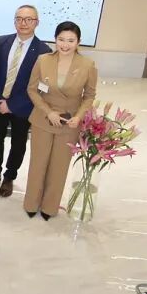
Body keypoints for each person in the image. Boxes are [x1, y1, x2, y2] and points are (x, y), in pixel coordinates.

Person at [24, 21, 97, 220]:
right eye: (61, 39)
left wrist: (79, 116)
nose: (65, 44)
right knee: (38, 164)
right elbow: (32, 89)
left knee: (59, 166)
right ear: (55, 39)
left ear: (78, 42)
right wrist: (48, 112)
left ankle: (49, 207)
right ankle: (31, 203)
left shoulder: (87, 65)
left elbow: (89, 96)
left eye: (71, 40)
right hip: (43, 119)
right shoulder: (43, 60)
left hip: (69, 123)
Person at [0, 5, 50, 197]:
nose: (23, 23)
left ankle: (9, 176)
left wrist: (12, 105)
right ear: (14, 21)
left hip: (23, 107)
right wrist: (0, 99)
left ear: (37, 22)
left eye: (29, 19)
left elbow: (40, 86)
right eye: (19, 18)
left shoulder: (44, 52)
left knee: (18, 143)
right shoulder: (0, 42)